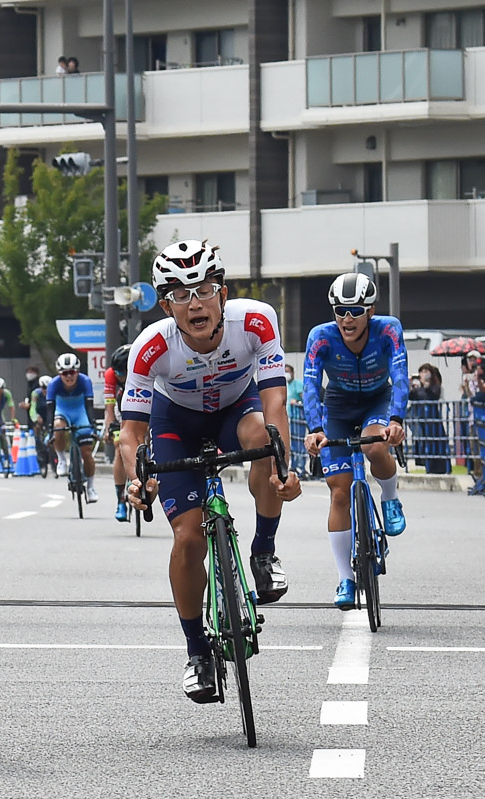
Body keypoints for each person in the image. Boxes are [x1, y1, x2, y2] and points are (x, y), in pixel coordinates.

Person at [117, 239, 300, 704]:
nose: (194, 302)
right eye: (180, 294)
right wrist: (139, 478)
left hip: (236, 411)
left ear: (223, 292)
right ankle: (197, 650)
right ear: (165, 305)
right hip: (176, 421)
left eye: (203, 289)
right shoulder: (150, 348)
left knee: (263, 437)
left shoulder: (255, 321)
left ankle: (263, 552)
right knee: (190, 538)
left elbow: (275, 401)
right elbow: (131, 434)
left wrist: (283, 464)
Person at [302, 272, 409, 612]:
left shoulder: (388, 329)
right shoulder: (321, 336)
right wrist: (315, 428)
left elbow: (401, 374)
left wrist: (395, 420)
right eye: (340, 311)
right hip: (338, 406)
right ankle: (345, 577)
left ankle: (390, 498)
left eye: (355, 311)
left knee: (373, 445)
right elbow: (309, 384)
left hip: (378, 400)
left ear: (371, 311)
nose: (347, 319)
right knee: (338, 490)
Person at [48, 353, 99, 502]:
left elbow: (89, 407)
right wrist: (49, 430)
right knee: (58, 427)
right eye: (65, 373)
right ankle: (62, 459)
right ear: (59, 374)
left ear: (77, 372)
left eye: (72, 372)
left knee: (87, 452)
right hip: (62, 412)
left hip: (80, 413)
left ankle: (90, 487)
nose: (69, 376)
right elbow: (50, 410)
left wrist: (93, 426)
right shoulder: (53, 384)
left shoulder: (85, 381)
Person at [102, 344, 131, 521]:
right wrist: (109, 427)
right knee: (120, 447)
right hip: (122, 404)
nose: (121, 377)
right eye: (118, 374)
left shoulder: (145, 370)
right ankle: (120, 499)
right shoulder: (111, 375)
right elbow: (110, 408)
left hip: (144, 399)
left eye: (123, 373)